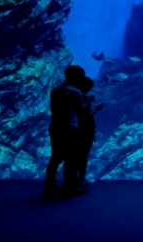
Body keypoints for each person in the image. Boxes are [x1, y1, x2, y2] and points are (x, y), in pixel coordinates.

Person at [44, 65, 89, 199]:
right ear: (77, 77)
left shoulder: (56, 91)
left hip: (56, 127)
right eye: (81, 76)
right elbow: (81, 111)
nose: (83, 78)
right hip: (69, 129)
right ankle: (70, 188)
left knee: (55, 159)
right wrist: (88, 100)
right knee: (71, 160)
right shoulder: (75, 92)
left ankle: (49, 186)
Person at [74, 76, 103, 187]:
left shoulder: (78, 96)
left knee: (78, 155)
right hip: (85, 129)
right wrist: (94, 105)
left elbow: (86, 114)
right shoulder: (83, 97)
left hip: (79, 128)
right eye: (88, 87)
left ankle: (78, 177)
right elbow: (84, 114)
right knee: (83, 155)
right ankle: (80, 178)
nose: (89, 90)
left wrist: (95, 108)